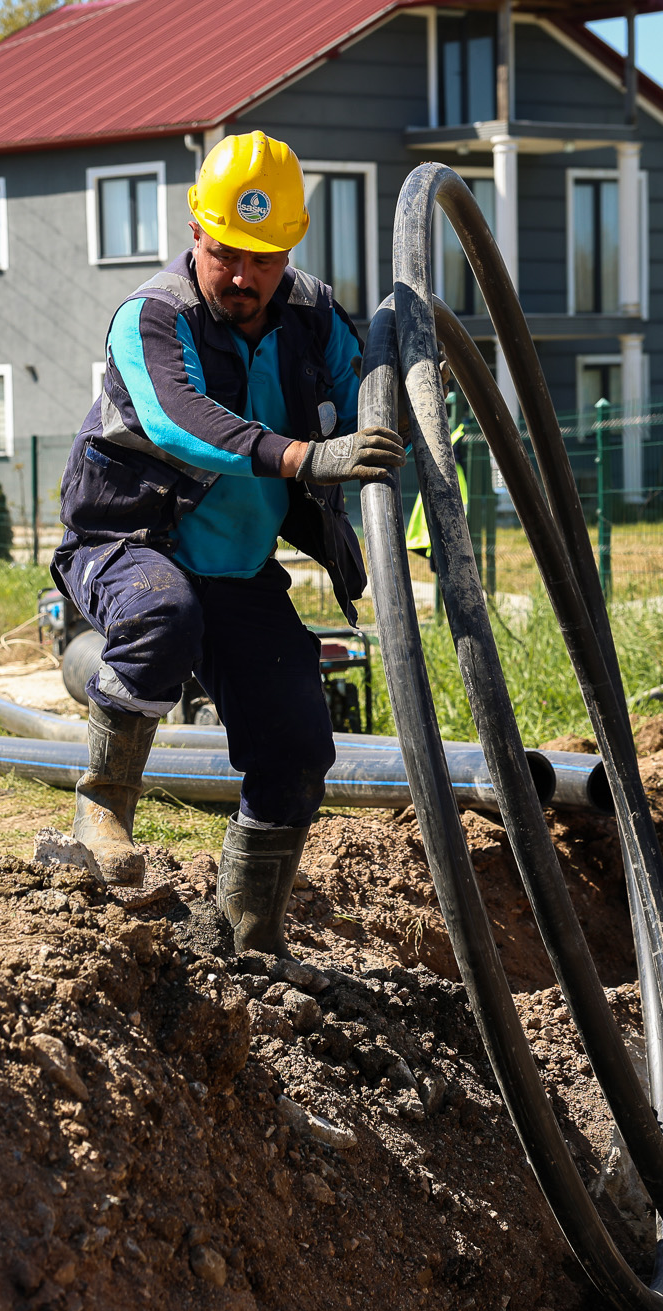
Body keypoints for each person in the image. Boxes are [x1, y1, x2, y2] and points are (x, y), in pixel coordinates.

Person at [53, 130, 404, 956]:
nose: (244, 277)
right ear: (196, 232)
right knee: (161, 614)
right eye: (226, 253)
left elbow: (368, 401)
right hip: (128, 541)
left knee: (296, 748)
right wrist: (301, 455)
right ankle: (104, 803)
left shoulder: (313, 317)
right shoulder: (151, 317)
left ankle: (248, 937)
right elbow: (181, 421)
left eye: (265, 258)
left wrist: (403, 414)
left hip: (238, 568)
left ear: (290, 249)